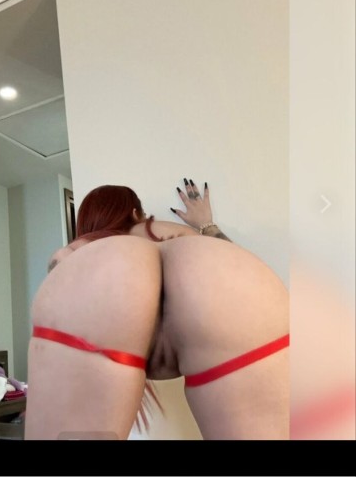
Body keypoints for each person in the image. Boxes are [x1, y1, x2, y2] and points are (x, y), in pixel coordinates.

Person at [25, 180, 289, 440]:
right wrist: (206, 225)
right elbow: (234, 269)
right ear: (135, 213)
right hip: (213, 270)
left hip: (102, 277)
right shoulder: (174, 233)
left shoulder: (84, 251)